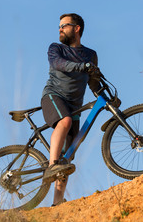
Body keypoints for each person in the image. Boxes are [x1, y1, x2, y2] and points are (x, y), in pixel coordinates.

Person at [41, 13, 101, 207]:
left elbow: (93, 80)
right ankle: (51, 166)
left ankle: (57, 202)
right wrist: (82, 66)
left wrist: (103, 93)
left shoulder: (90, 55)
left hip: (75, 106)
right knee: (64, 122)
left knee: (67, 157)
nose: (60, 29)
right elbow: (58, 64)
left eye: (64, 25)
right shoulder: (56, 48)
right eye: (59, 26)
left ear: (77, 28)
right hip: (54, 96)